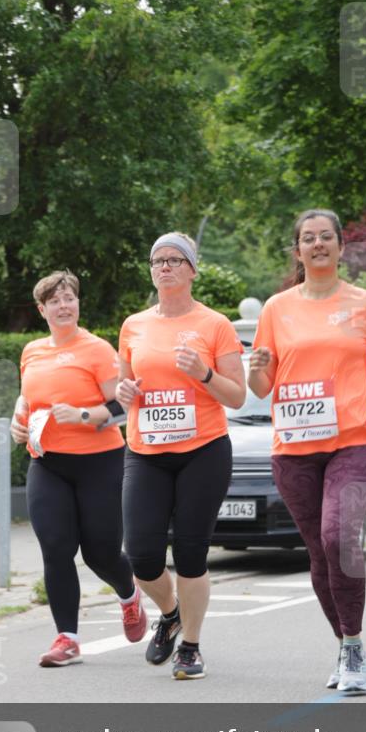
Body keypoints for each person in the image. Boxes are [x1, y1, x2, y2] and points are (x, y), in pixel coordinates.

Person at [248, 210, 366, 694]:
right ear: (297, 251)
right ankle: (345, 643)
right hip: (294, 448)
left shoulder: (364, 303)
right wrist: (255, 368)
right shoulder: (276, 308)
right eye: (308, 238)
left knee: (339, 536)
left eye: (326, 237)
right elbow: (262, 382)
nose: (317, 244)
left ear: (340, 247)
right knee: (318, 551)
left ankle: (353, 645)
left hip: (355, 440)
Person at [116, 233, 245, 679]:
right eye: (158, 260)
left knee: (191, 553)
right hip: (146, 450)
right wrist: (124, 392)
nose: (165, 267)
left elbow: (238, 396)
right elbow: (124, 385)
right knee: (141, 554)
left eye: (174, 260)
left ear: (192, 269)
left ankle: (190, 645)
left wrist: (204, 373)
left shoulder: (215, 324)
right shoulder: (133, 325)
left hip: (203, 450)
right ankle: (170, 613)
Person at [10, 270, 147, 667]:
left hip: (99, 463)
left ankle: (129, 593)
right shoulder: (32, 351)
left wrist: (85, 415)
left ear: (78, 304)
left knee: (101, 553)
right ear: (42, 310)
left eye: (69, 298)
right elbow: (27, 398)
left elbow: (123, 408)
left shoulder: (98, 350)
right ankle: (67, 639)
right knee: (55, 547)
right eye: (54, 301)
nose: (63, 305)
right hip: (47, 463)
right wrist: (19, 420)